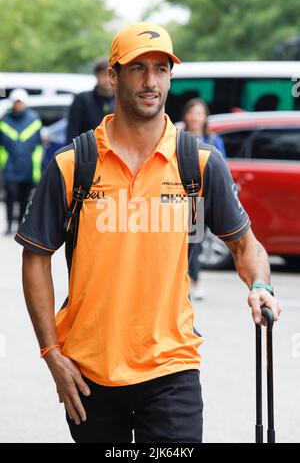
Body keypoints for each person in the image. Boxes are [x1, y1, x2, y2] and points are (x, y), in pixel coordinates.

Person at [15, 22, 281, 443]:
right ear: (113, 76)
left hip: (171, 368)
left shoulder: (199, 160)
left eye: (161, 68)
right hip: (89, 374)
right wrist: (51, 355)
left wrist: (261, 284)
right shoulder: (73, 164)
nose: (151, 81)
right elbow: (35, 256)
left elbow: (245, 244)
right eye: (137, 68)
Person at [182, 97, 226, 300]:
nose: (195, 118)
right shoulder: (177, 135)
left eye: (199, 113)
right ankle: (190, 281)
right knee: (191, 241)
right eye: (192, 113)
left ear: (205, 117)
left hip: (205, 197)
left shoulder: (213, 140)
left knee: (196, 240)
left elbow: (221, 168)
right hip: (182, 196)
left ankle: (194, 281)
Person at [0, 88, 42, 235]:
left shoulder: (34, 120)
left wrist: (37, 170)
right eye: (16, 102)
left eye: (20, 102)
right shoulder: (4, 121)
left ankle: (20, 225)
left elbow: (38, 146)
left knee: (24, 198)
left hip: (28, 167)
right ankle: (9, 225)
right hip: (10, 167)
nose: (18, 105)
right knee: (10, 195)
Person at [66, 57, 115, 142]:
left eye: (110, 75)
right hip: (88, 151)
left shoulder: (122, 100)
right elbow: (72, 132)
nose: (107, 80)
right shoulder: (82, 100)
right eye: (103, 75)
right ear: (96, 75)